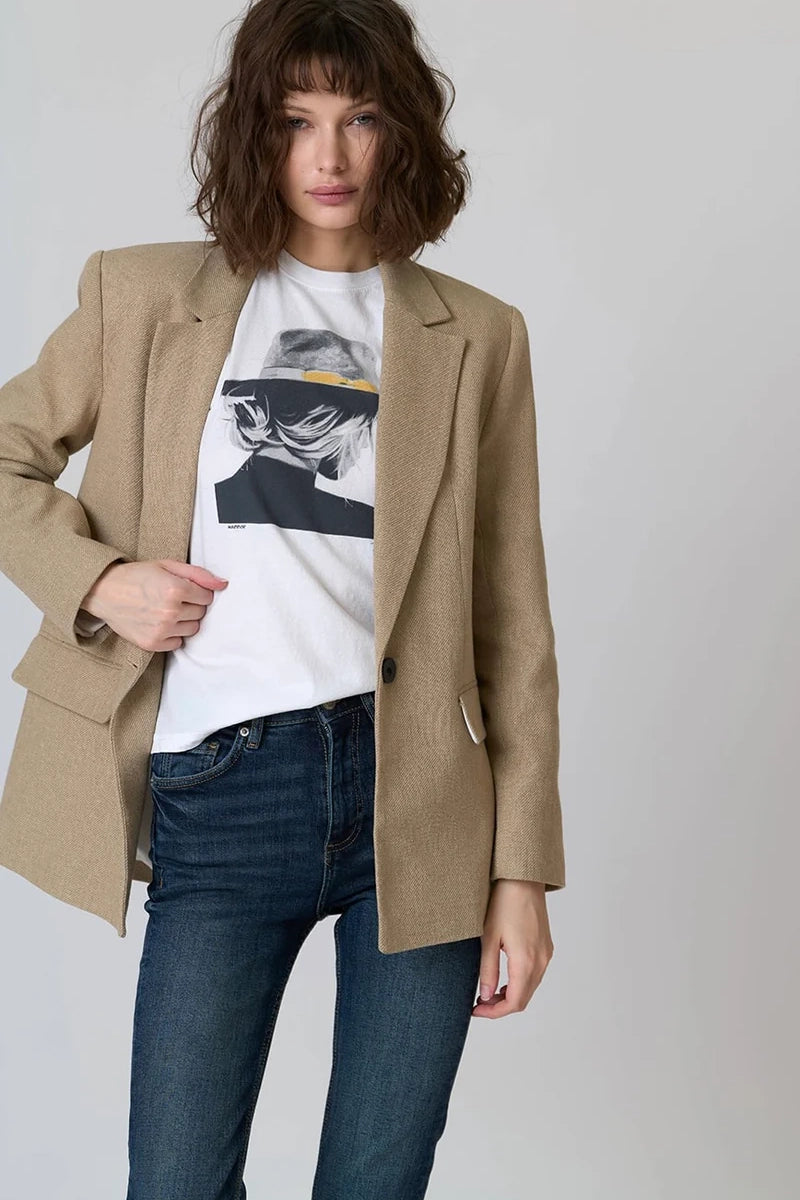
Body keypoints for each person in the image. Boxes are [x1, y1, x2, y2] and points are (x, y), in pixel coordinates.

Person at [0, 1, 566, 1196]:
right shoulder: (142, 296)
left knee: (375, 1181)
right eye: (295, 120)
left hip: (418, 793)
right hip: (225, 786)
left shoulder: (477, 335)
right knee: (176, 1181)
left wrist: (520, 872)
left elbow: (511, 621)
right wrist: (100, 581)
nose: (328, 154)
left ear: (402, 131)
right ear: (251, 133)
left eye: (359, 119)